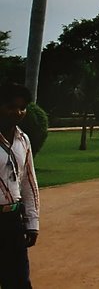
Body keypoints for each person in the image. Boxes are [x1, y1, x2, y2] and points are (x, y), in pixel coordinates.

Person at [0, 83, 39, 288]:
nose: (18, 112)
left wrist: (33, 222)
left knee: (18, 281)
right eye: (11, 106)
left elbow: (28, 183)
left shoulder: (23, 140)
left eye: (22, 107)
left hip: (13, 220)